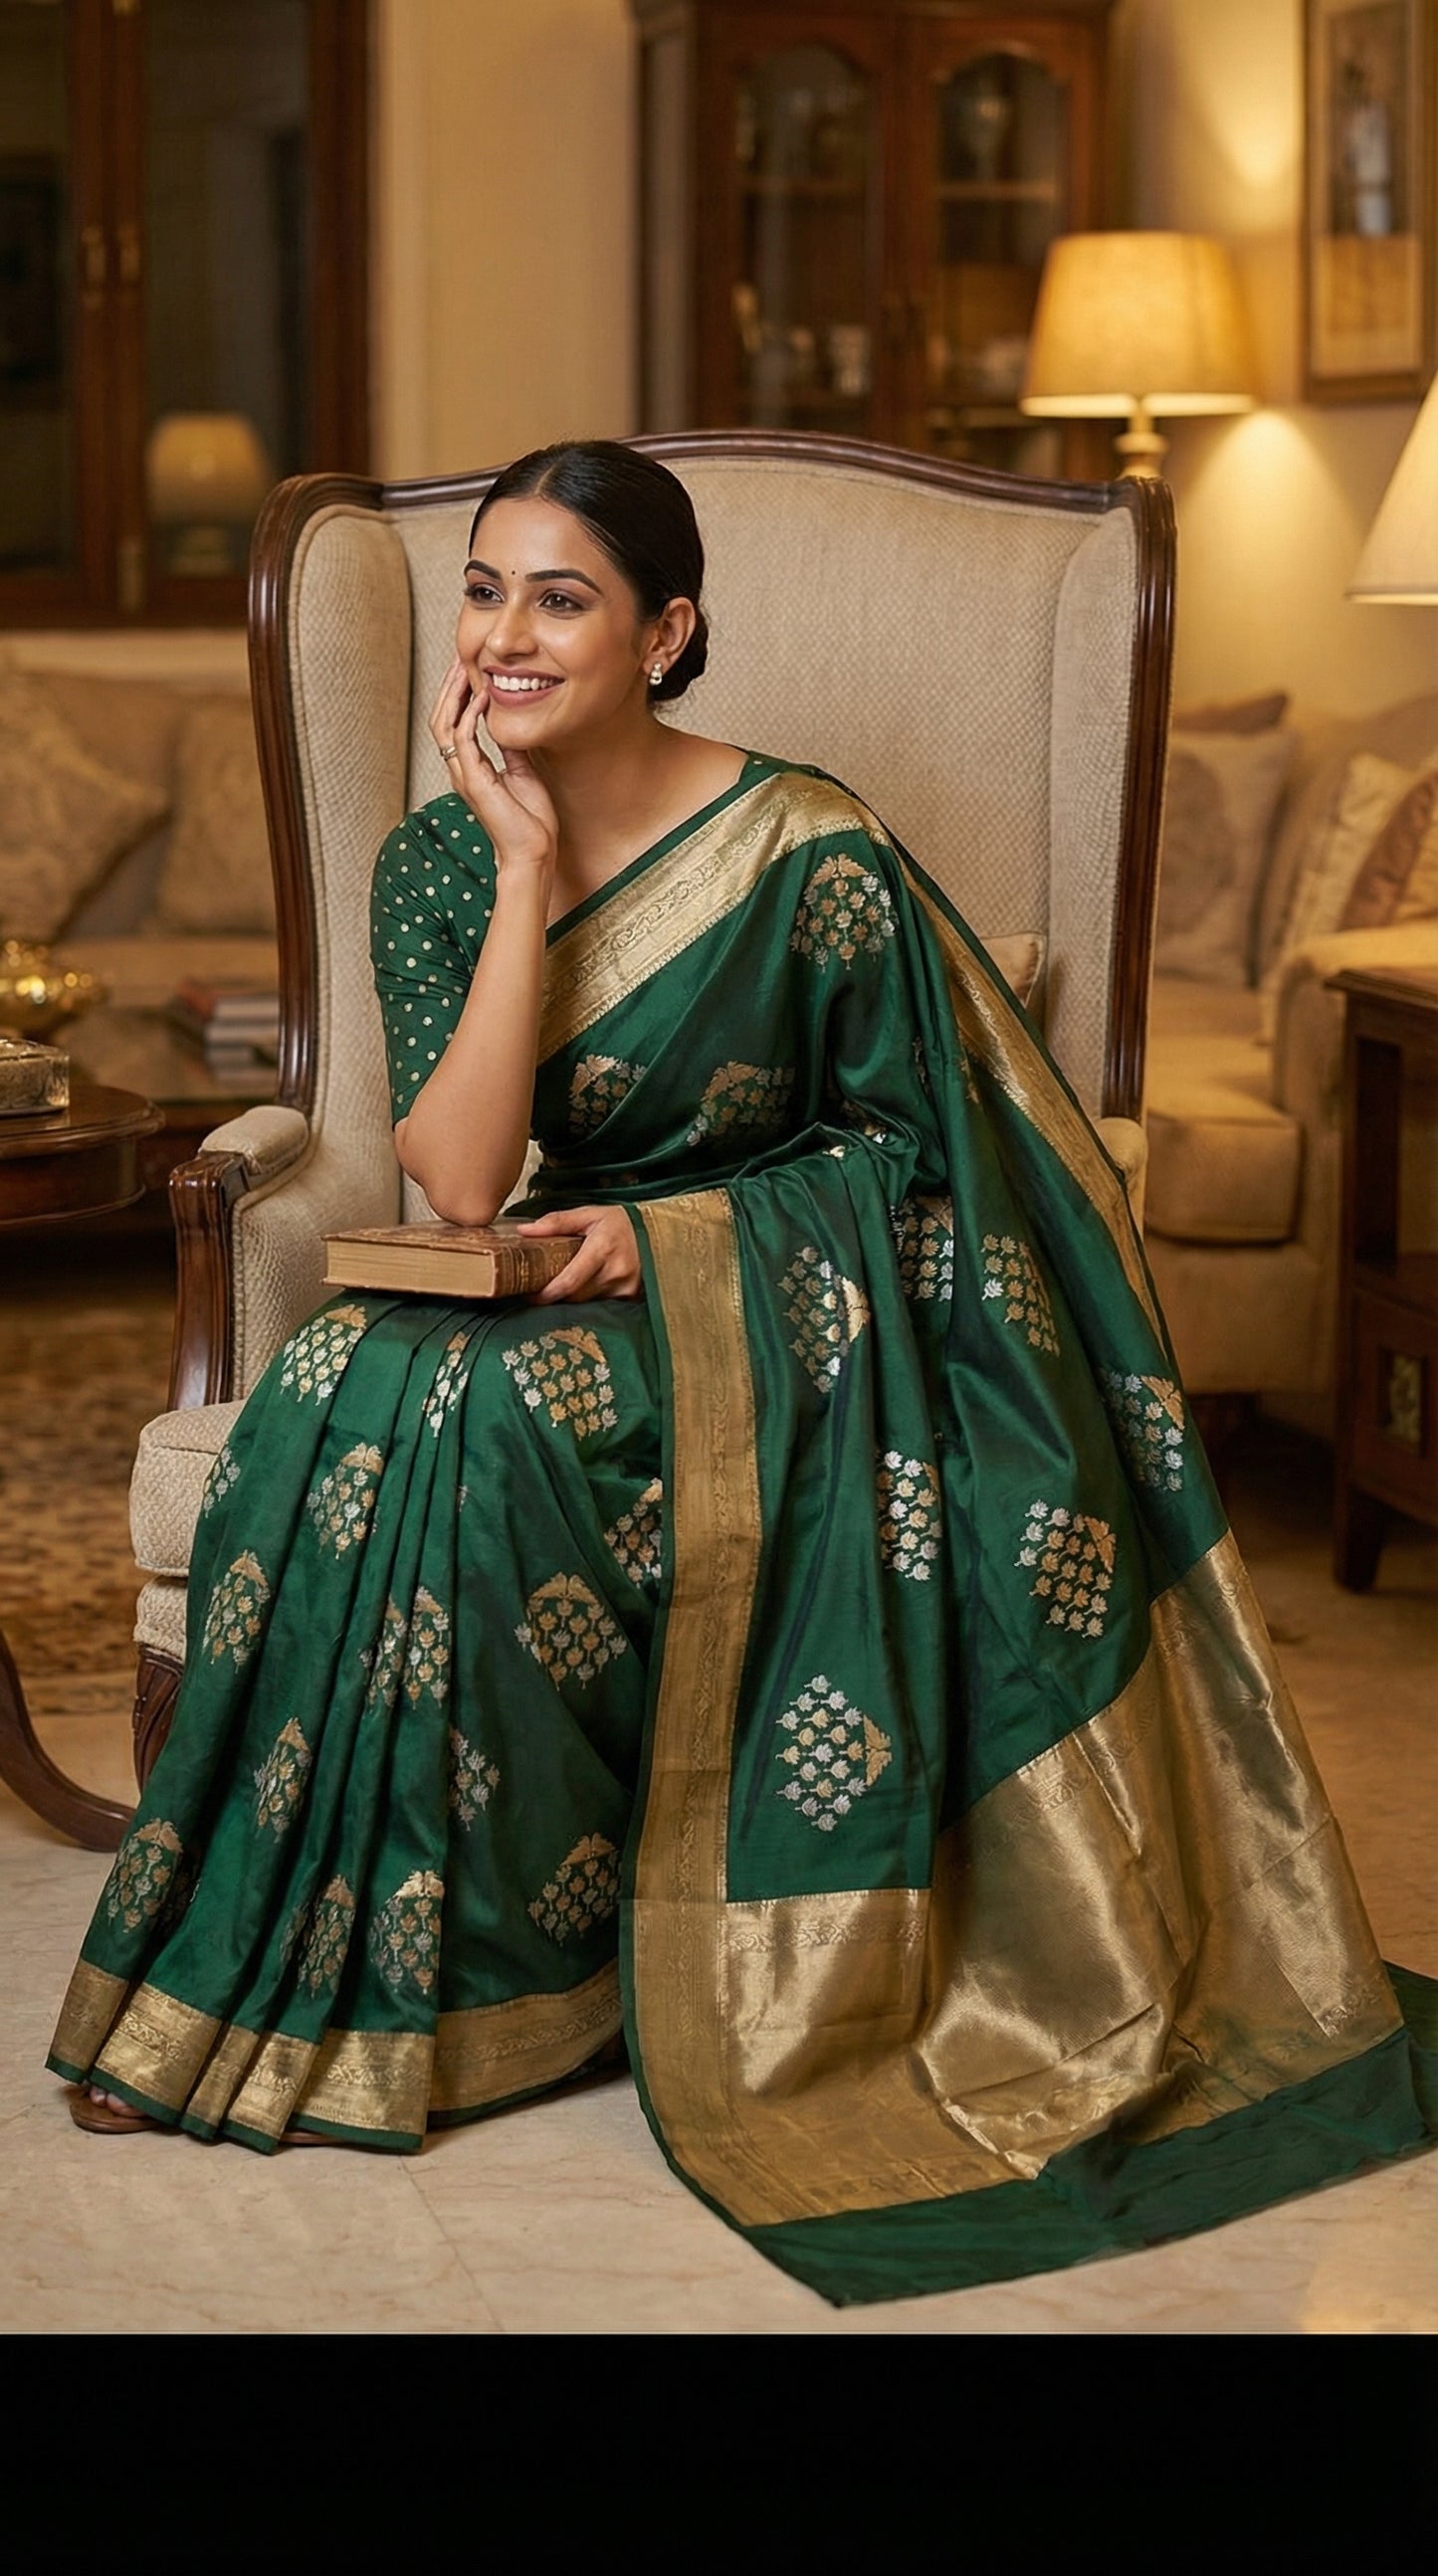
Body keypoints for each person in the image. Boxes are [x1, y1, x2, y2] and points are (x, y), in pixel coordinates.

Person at [49, 441, 1434, 2306]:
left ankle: (506, 1982)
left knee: (487, 1414)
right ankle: (317, 1958)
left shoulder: (811, 848)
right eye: (482, 588)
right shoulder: (449, 853)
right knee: (335, 1385)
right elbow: (455, 1182)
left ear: (665, 630)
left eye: (561, 596)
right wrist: (526, 868)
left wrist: (675, 1241)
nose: (506, 632)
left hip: (791, 1321)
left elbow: (919, 1162)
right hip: (543, 1269)